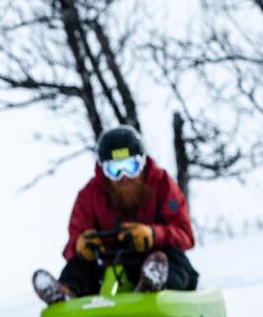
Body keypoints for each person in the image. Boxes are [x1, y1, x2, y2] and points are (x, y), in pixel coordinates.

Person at [33, 125, 199, 303]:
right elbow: (72, 245)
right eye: (115, 170)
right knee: (79, 264)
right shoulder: (89, 195)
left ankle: (154, 287)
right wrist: (81, 245)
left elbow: (185, 235)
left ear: (142, 164)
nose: (124, 176)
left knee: (172, 258)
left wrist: (153, 234)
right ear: (104, 171)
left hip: (153, 261)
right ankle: (64, 294)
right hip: (107, 269)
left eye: (131, 167)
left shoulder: (163, 184)